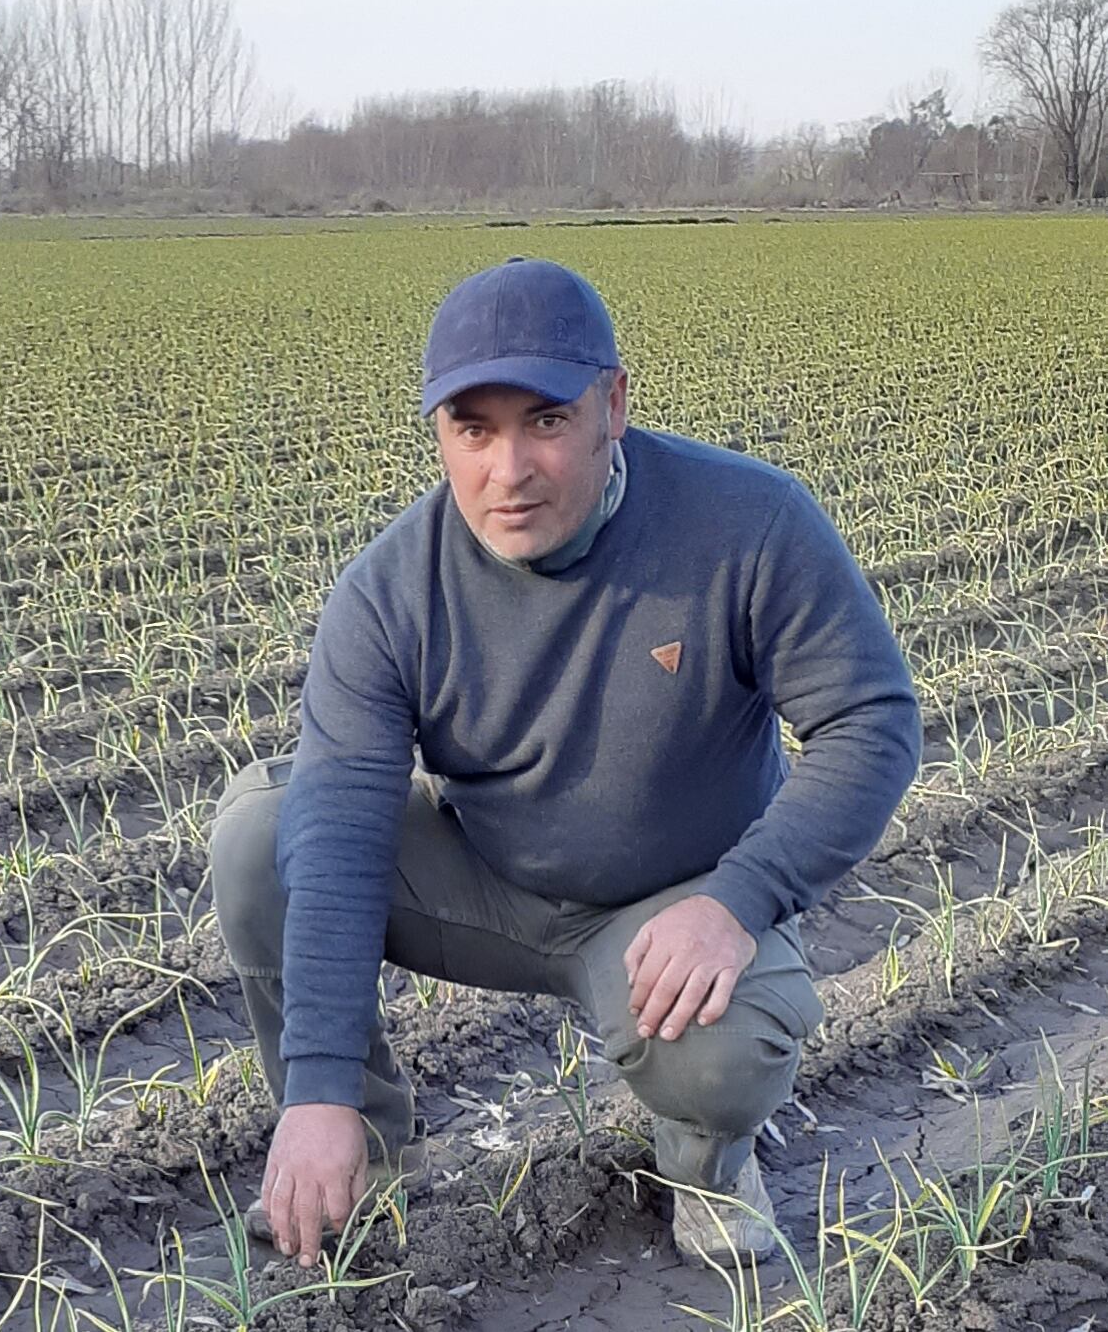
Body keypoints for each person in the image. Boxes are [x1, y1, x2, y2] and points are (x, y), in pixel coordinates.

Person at [210, 258, 920, 1268]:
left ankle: (708, 1161)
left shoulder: (747, 524)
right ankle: (357, 1149)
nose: (510, 468)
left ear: (614, 404)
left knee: (725, 1059)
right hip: (489, 882)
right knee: (261, 837)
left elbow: (874, 721)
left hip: (671, 906)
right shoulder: (390, 593)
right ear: (441, 436)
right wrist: (318, 1081)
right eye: (474, 429)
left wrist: (738, 900)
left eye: (545, 418)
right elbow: (338, 827)